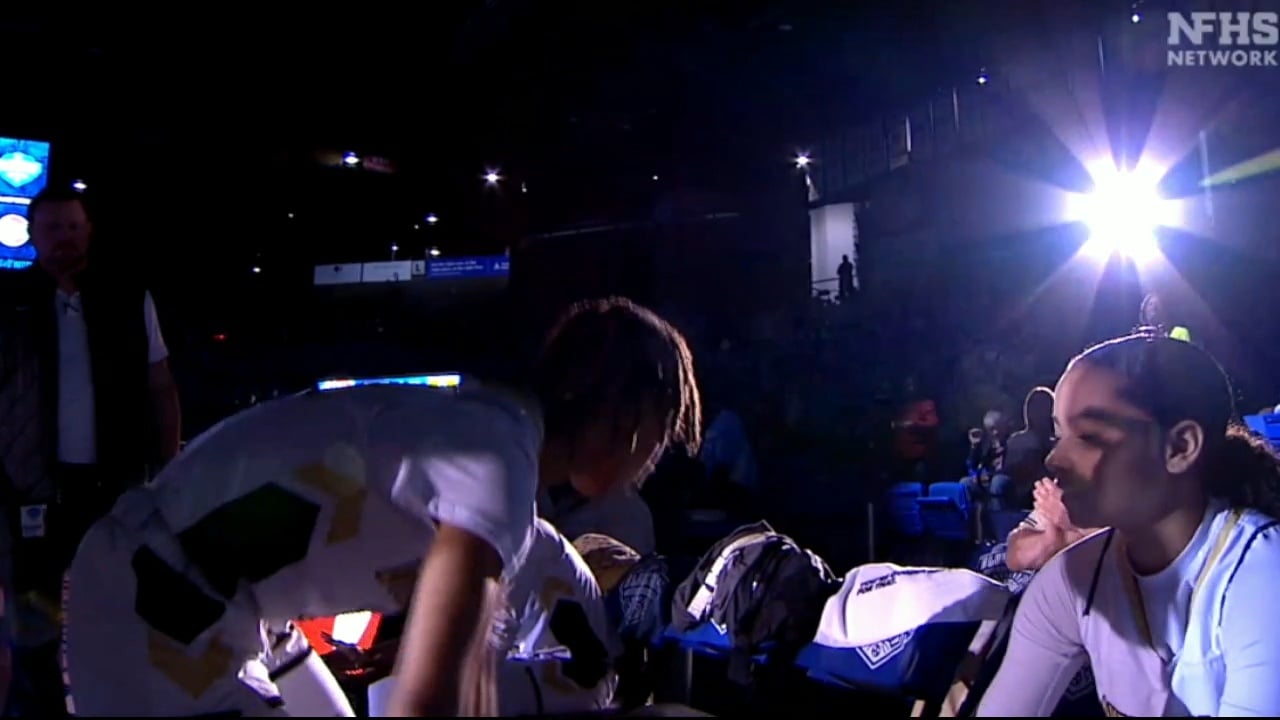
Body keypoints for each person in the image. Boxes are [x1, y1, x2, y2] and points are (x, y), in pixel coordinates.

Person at [62, 296, 701, 717]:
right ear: (628, 419)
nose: (652, 462)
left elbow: (465, 673)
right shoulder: (500, 461)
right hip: (162, 604)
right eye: (661, 437)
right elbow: (427, 700)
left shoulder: (484, 427)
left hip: (211, 601)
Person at [977, 332, 1280, 717]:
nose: (1053, 458)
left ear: (1180, 447)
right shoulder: (1070, 580)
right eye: (1058, 434)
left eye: (1088, 436)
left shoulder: (1263, 574)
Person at [0, 186, 181, 715]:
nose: (65, 238)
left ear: (89, 232)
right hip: (31, 488)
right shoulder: (7, 303)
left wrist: (169, 472)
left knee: (119, 607)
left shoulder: (129, 298)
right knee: (34, 620)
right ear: (32, 235)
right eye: (54, 228)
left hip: (115, 487)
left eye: (74, 227)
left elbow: (161, 387)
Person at [1003, 388, 1055, 508]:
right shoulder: (1017, 441)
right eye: (1036, 409)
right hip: (1020, 497)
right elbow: (1010, 472)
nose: (1041, 414)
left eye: (1045, 409)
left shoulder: (1058, 445)